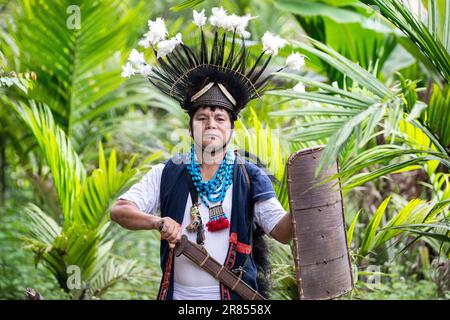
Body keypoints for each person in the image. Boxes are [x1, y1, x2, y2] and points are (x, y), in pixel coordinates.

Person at [111, 7, 296, 300]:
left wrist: (307, 204)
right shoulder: (167, 173)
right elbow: (119, 211)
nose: (211, 124)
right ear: (190, 128)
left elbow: (282, 233)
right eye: (202, 118)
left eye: (220, 118)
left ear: (232, 130)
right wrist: (158, 222)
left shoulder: (250, 176)